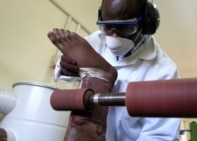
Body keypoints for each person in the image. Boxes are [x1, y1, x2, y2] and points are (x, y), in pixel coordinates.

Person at [49, 0, 181, 140]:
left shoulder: (164, 71)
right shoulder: (94, 41)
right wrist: (65, 67)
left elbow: (158, 135)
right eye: (107, 27)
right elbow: (61, 71)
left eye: (125, 28)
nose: (114, 37)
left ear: (146, 23)